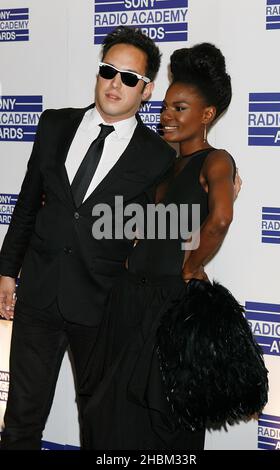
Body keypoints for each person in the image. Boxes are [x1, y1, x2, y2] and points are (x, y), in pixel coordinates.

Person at [0, 26, 177, 450]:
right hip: (39, 295)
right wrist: (8, 270)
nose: (116, 84)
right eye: (108, 71)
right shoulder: (55, 123)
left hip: (102, 306)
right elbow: (26, 203)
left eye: (130, 78)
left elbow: (162, 229)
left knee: (101, 425)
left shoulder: (157, 155)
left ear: (146, 90)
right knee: (22, 418)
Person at [82, 42, 240, 450]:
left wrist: (192, 266)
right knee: (115, 414)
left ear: (207, 115)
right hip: (130, 297)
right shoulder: (162, 163)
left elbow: (220, 218)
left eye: (180, 108)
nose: (166, 116)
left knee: (167, 418)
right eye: (166, 106)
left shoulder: (216, 160)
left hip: (171, 305)